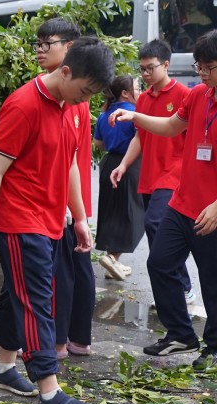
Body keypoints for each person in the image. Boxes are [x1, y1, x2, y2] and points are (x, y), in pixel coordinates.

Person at [0, 37, 114, 404]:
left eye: (91, 96)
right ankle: (49, 389)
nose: (85, 101)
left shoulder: (72, 107)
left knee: (15, 296)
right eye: (83, 91)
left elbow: (68, 166)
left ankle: (2, 368)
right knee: (37, 300)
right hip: (18, 220)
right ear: (65, 71)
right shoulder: (23, 105)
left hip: (51, 219)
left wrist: (79, 218)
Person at [112, 30, 217, 369]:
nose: (201, 73)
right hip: (182, 202)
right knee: (159, 262)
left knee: (212, 280)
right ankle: (181, 334)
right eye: (199, 66)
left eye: (209, 67)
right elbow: (172, 126)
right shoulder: (200, 94)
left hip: (211, 210)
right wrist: (135, 116)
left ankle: (214, 347)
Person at [111, 39, 195, 303]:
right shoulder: (144, 98)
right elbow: (139, 136)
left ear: (166, 65)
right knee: (159, 233)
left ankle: (182, 285)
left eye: (150, 68)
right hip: (150, 175)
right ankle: (181, 286)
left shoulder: (184, 94)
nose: (145, 74)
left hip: (174, 173)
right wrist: (123, 165)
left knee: (155, 223)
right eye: (142, 69)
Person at [34, 18, 96, 359]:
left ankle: (61, 342)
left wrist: (75, 212)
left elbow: (68, 159)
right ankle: (74, 340)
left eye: (49, 43)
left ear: (69, 48)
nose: (41, 50)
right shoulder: (59, 92)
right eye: (39, 44)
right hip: (70, 204)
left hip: (64, 204)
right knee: (76, 270)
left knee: (66, 274)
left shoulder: (71, 96)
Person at [93, 75, 144, 279]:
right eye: (138, 87)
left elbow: (99, 143)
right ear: (125, 92)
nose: (140, 91)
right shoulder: (135, 114)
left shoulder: (104, 115)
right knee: (132, 213)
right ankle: (113, 259)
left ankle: (112, 261)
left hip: (109, 164)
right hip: (129, 165)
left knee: (111, 211)